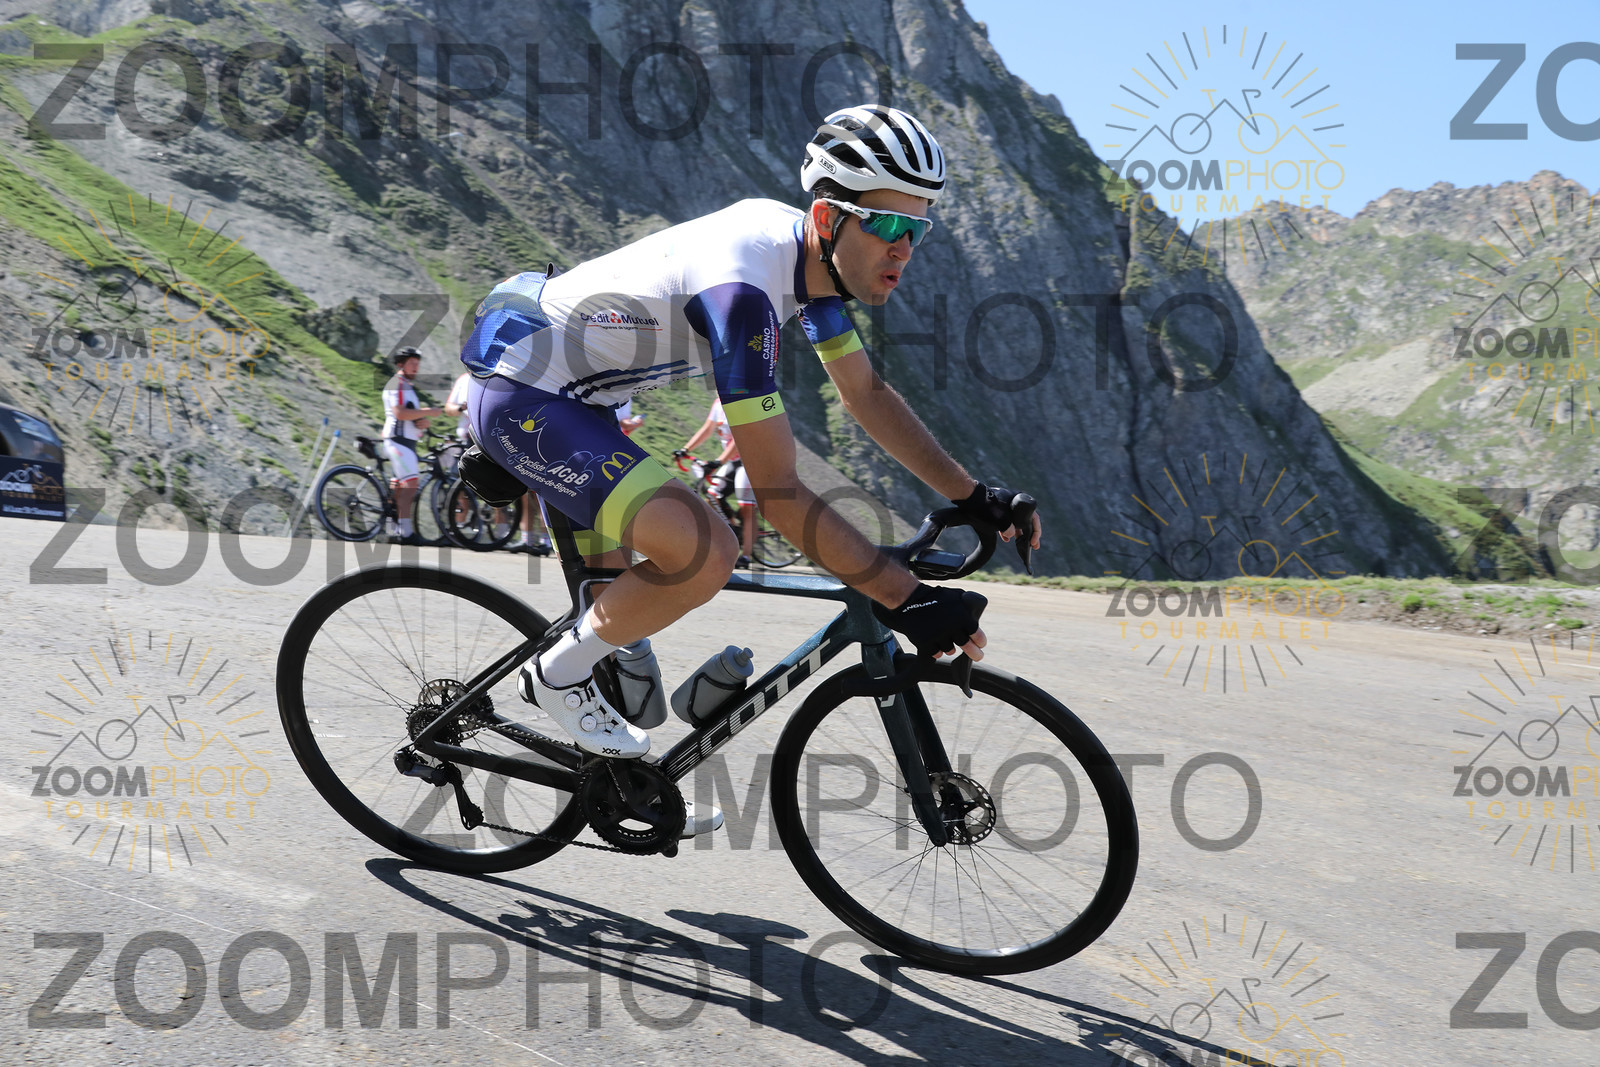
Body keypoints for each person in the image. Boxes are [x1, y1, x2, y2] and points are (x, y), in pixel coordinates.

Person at [459, 105, 1041, 775]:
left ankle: (620, 785)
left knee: (631, 677)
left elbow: (865, 395)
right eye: (885, 224)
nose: (903, 248)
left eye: (917, 228)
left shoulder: (809, 265)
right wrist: (905, 597)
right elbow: (778, 491)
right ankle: (554, 676)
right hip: (523, 395)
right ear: (827, 217)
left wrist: (974, 495)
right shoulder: (741, 291)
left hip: (585, 404)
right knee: (705, 551)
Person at [446, 368, 553, 555]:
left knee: (533, 492)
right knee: (493, 488)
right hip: (473, 441)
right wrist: (461, 408)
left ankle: (545, 541)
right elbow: (449, 408)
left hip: (501, 439)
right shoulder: (463, 380)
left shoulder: (498, 376)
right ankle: (517, 538)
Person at [677, 399, 755, 566]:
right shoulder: (718, 404)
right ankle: (733, 530)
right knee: (712, 496)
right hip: (732, 461)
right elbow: (707, 429)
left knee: (746, 506)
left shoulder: (740, 402)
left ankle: (746, 556)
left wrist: (719, 461)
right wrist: (685, 449)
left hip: (751, 460)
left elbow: (740, 438)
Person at [382, 347, 442, 544]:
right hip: (398, 441)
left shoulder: (406, 385)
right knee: (411, 485)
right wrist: (428, 411)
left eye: (417, 364)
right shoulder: (398, 384)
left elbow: (408, 415)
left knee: (399, 487)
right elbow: (399, 413)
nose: (416, 367)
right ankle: (406, 533)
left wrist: (421, 421)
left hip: (405, 441)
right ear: (401, 364)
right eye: (412, 363)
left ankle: (392, 530)